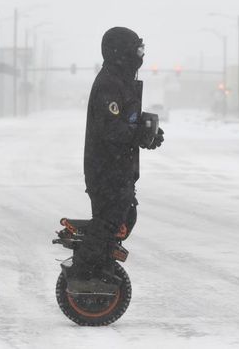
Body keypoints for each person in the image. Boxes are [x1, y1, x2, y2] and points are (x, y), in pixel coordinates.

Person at [67, 27, 165, 293]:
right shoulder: (110, 84)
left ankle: (100, 265)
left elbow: (127, 121)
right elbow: (111, 128)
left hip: (119, 167)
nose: (140, 55)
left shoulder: (121, 81)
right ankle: (83, 274)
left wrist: (148, 133)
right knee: (109, 221)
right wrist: (139, 135)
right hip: (106, 169)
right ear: (121, 51)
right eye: (137, 49)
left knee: (124, 217)